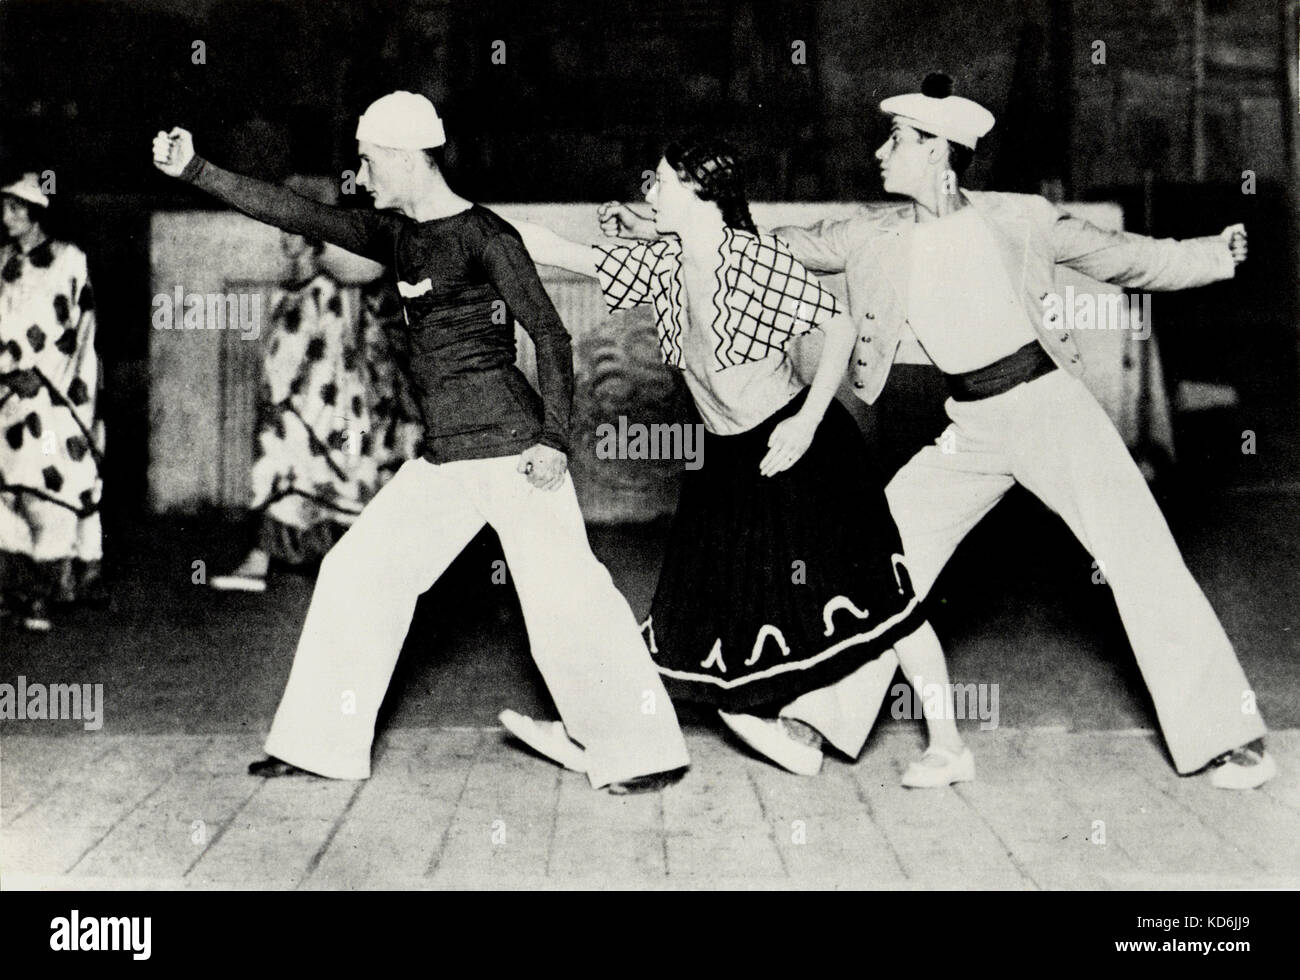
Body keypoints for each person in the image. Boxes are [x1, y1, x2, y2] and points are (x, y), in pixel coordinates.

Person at [604, 73, 1274, 790]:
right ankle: (820, 718)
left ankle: (1230, 739)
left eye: (895, 140)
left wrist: (1212, 255)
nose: (878, 153)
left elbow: (1126, 257)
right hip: (969, 426)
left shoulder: (1022, 219)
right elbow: (768, 244)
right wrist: (671, 225)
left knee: (1139, 557)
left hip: (1050, 410)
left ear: (939, 152)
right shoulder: (873, 235)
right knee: (879, 559)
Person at [151, 91, 690, 793]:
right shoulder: (395, 236)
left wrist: (555, 439)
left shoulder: (487, 237)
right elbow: (298, 213)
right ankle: (320, 746)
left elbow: (551, 339)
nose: (362, 177)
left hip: (520, 454)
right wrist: (198, 169)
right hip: (447, 459)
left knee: (566, 599)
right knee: (356, 572)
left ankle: (642, 753)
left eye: (370, 162)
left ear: (407, 158)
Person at [511, 137, 970, 786]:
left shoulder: (751, 262)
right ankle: (600, 731)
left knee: (884, 603)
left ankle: (949, 746)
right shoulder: (664, 265)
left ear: (701, 195)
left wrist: (807, 423)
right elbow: (562, 251)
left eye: (663, 182)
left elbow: (837, 327)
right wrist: (465, 224)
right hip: (727, 462)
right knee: (677, 618)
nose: (650, 192)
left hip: (802, 450)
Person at [211, 185, 420, 592]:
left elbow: (359, 344)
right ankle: (259, 561)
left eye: (292, 230)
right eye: (282, 230)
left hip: (336, 408)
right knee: (277, 470)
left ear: (311, 239)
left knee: (345, 475)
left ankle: (364, 569)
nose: (283, 238)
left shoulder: (338, 290)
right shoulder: (284, 294)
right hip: (291, 411)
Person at [0, 172, 105, 633]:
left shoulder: (68, 259)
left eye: (16, 208)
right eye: (4, 209)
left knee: (47, 484)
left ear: (37, 213)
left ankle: (45, 591)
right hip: (7, 397)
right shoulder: (2, 262)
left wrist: (28, 367)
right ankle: (14, 587)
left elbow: (66, 323)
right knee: (9, 490)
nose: (6, 217)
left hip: (52, 396)